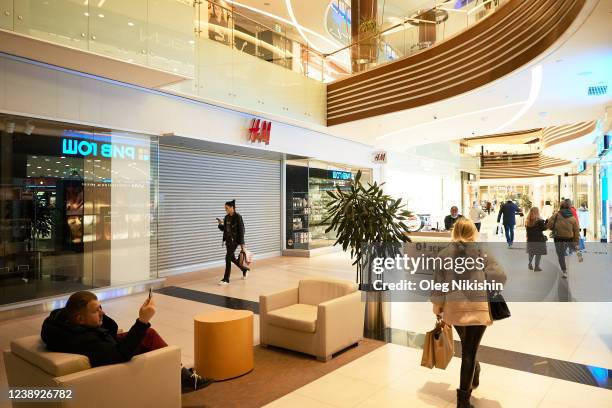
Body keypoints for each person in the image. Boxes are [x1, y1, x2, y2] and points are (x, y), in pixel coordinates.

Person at [41, 291, 212, 391]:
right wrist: (142, 320)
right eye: (95, 310)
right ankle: (185, 378)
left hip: (106, 345)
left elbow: (108, 330)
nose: (102, 312)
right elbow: (121, 354)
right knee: (146, 331)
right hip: (112, 357)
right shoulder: (84, 340)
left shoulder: (61, 321)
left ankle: (178, 371)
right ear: (79, 319)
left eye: (100, 307)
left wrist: (97, 316)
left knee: (149, 334)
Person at [431, 218, 507, 408]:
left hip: (453, 310)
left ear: (454, 231)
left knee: (467, 347)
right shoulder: (481, 252)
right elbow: (501, 276)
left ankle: (475, 370)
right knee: (469, 352)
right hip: (477, 309)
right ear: (473, 232)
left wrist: (437, 307)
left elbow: (437, 286)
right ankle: (463, 401)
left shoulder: (443, 254)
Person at [217, 199, 249, 285]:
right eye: (225, 208)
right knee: (232, 258)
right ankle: (244, 269)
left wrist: (242, 245)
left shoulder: (238, 217)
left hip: (235, 241)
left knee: (227, 257)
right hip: (228, 241)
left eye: (226, 208)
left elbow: (242, 231)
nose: (225, 210)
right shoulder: (226, 217)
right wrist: (220, 225)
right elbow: (225, 229)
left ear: (232, 207)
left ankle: (226, 279)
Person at [546, 200, 579, 278]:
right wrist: (576, 242)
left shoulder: (555, 215)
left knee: (560, 255)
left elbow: (549, 225)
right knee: (570, 250)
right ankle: (578, 255)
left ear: (561, 207)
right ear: (569, 207)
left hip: (558, 238)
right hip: (569, 238)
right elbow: (576, 231)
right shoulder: (573, 218)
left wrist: (555, 227)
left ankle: (564, 271)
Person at [525, 207, 547, 271]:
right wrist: (546, 222)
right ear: (537, 212)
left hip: (530, 239)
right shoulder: (539, 221)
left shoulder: (527, 220)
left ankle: (530, 263)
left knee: (531, 252)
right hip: (539, 239)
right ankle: (536, 267)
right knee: (538, 253)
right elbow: (544, 228)